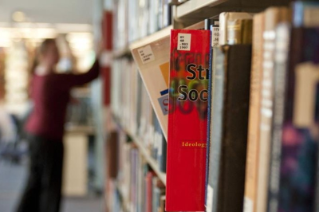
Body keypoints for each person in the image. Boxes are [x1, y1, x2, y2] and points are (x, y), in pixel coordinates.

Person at [16, 39, 100, 212]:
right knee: (52, 184)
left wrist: (65, 98)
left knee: (35, 180)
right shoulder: (54, 77)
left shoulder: (38, 75)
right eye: (55, 51)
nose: (59, 54)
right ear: (43, 55)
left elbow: (47, 98)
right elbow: (89, 76)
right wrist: (100, 52)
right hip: (49, 136)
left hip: (35, 133)